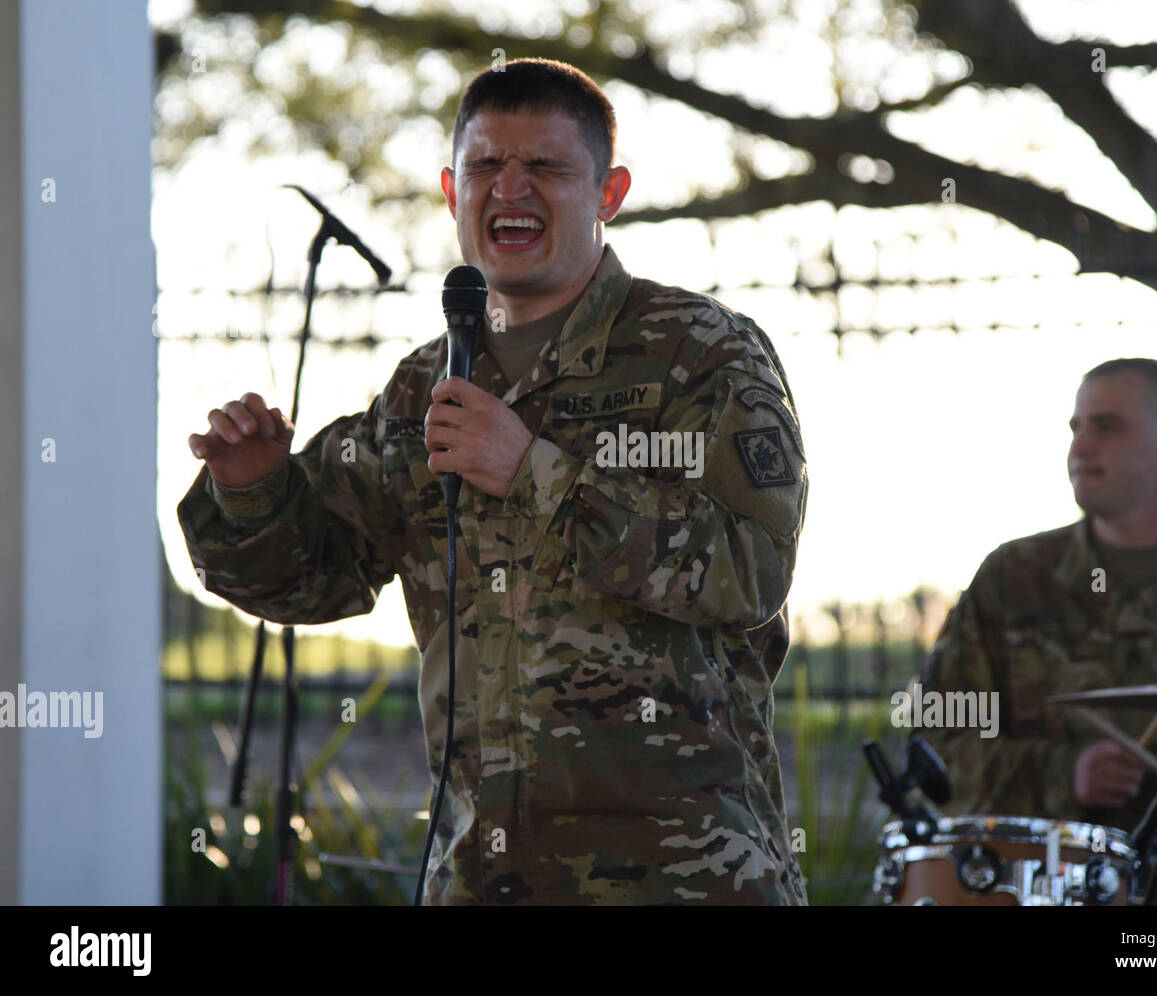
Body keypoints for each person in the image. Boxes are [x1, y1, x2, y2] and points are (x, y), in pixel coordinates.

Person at [178, 59, 808, 905]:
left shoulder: (699, 351)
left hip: (690, 879)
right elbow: (308, 578)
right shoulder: (420, 388)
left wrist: (535, 473)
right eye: (485, 167)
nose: (511, 188)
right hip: (484, 877)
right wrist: (252, 489)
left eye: (545, 167)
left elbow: (751, 571)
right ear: (451, 189)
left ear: (608, 191)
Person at [922, 357, 1157, 905]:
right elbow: (939, 744)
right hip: (1050, 887)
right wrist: (1063, 772)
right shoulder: (1013, 577)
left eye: (1108, 427)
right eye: (1076, 428)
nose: (1080, 447)